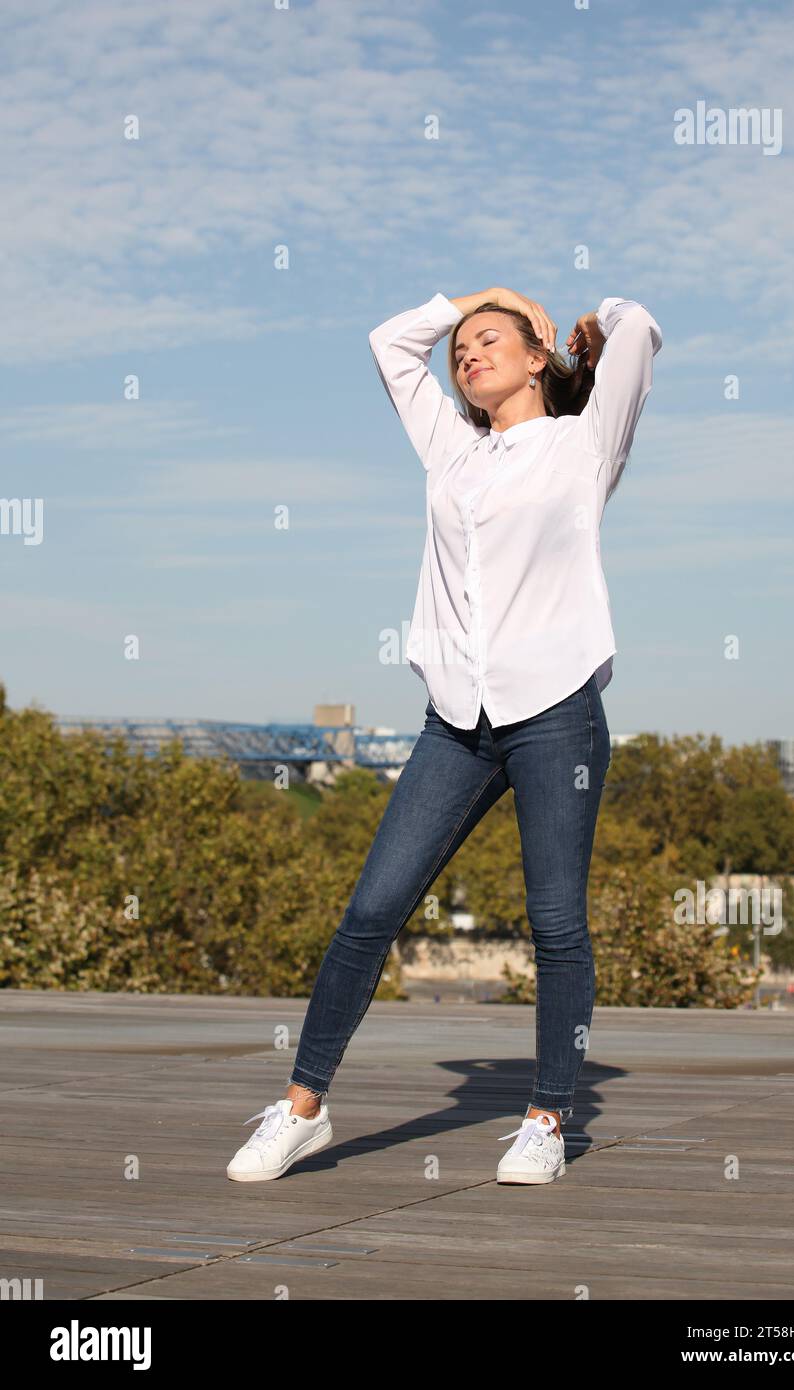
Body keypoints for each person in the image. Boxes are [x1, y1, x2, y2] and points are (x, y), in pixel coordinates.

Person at [227, 285, 662, 1186]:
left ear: (538, 356)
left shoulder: (584, 446)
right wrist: (487, 296)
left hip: (556, 715)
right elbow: (390, 342)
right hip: (455, 723)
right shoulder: (450, 449)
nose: (467, 353)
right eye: (461, 348)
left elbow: (642, 329)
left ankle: (546, 1118)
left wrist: (595, 323)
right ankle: (303, 1107)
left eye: (490, 340)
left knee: (555, 925)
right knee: (370, 911)